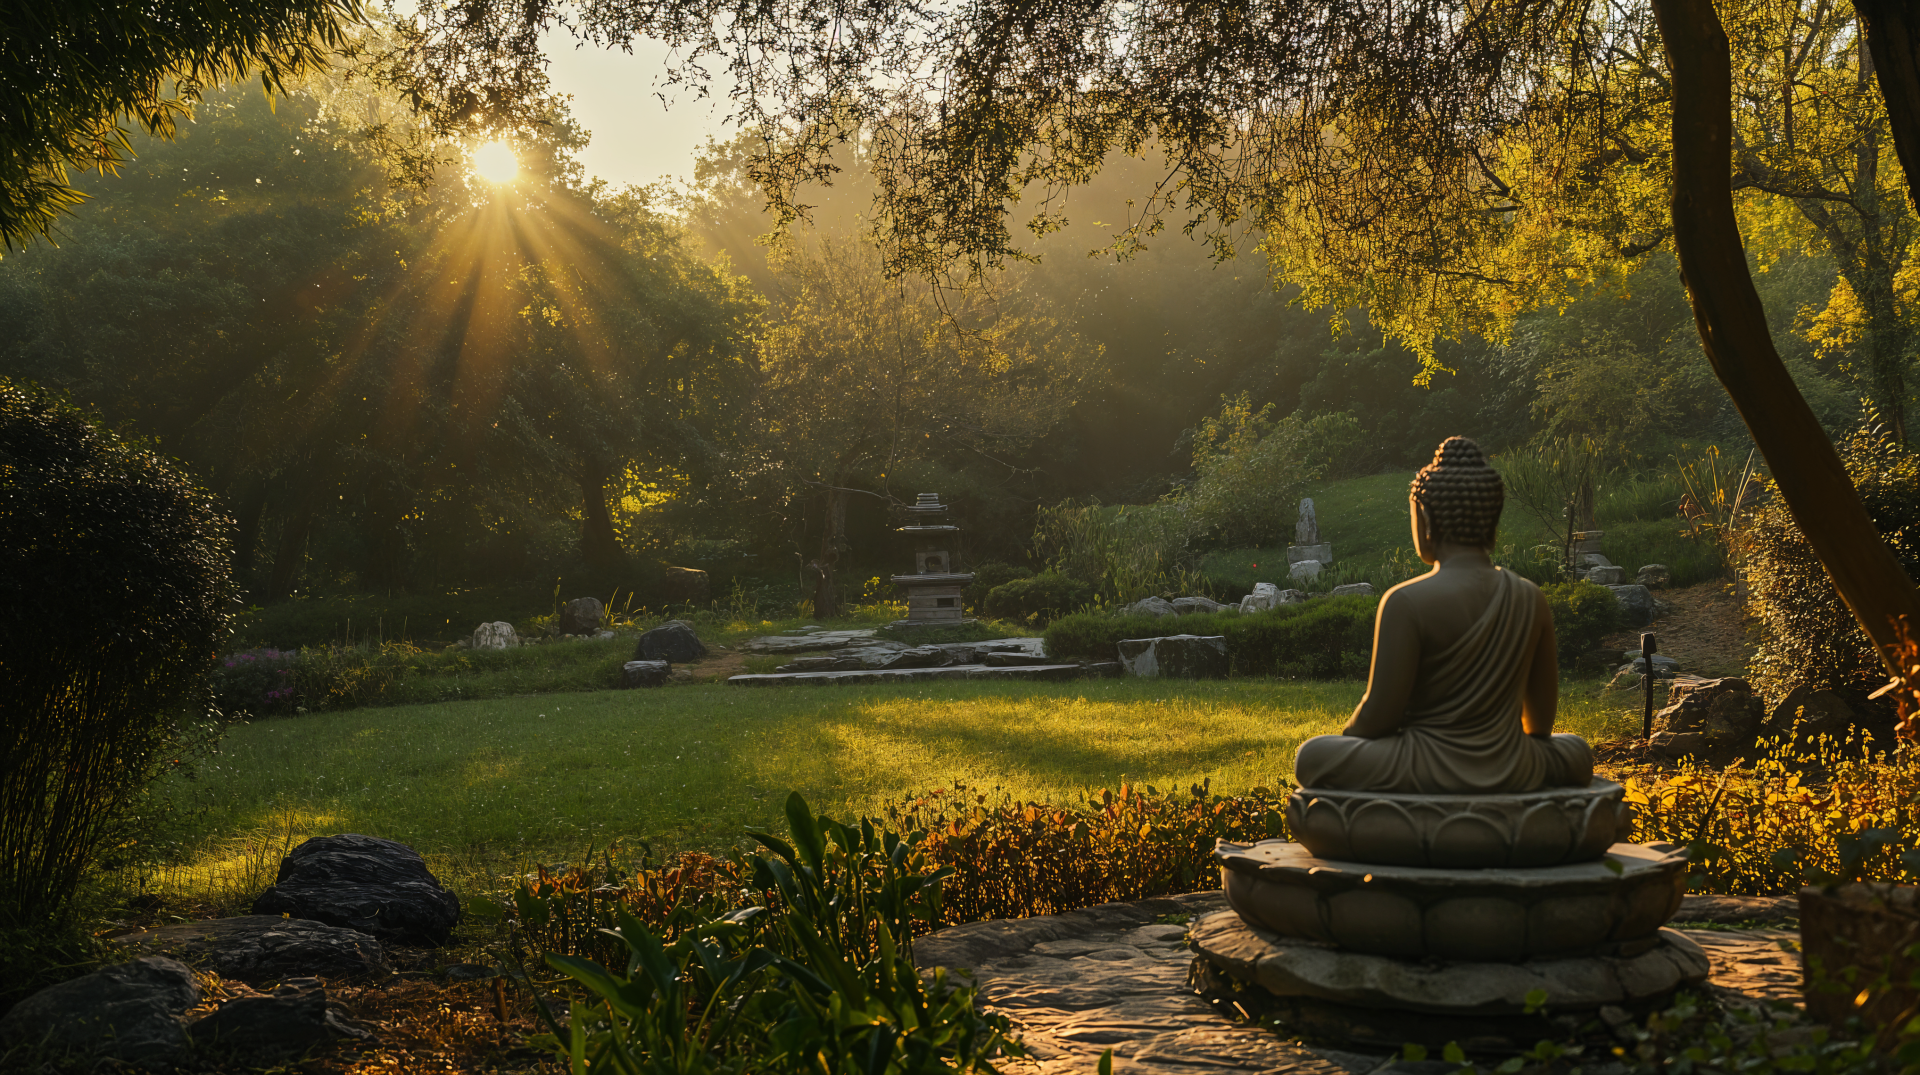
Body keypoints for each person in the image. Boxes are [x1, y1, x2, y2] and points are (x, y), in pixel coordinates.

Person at [1292, 437, 1592, 793]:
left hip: (1424, 767)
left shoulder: (1405, 601)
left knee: (1312, 756)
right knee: (1575, 751)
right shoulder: (1530, 597)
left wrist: (1350, 741)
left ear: (1426, 518)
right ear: (1492, 521)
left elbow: (1379, 719)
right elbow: (1539, 726)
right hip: (1513, 767)